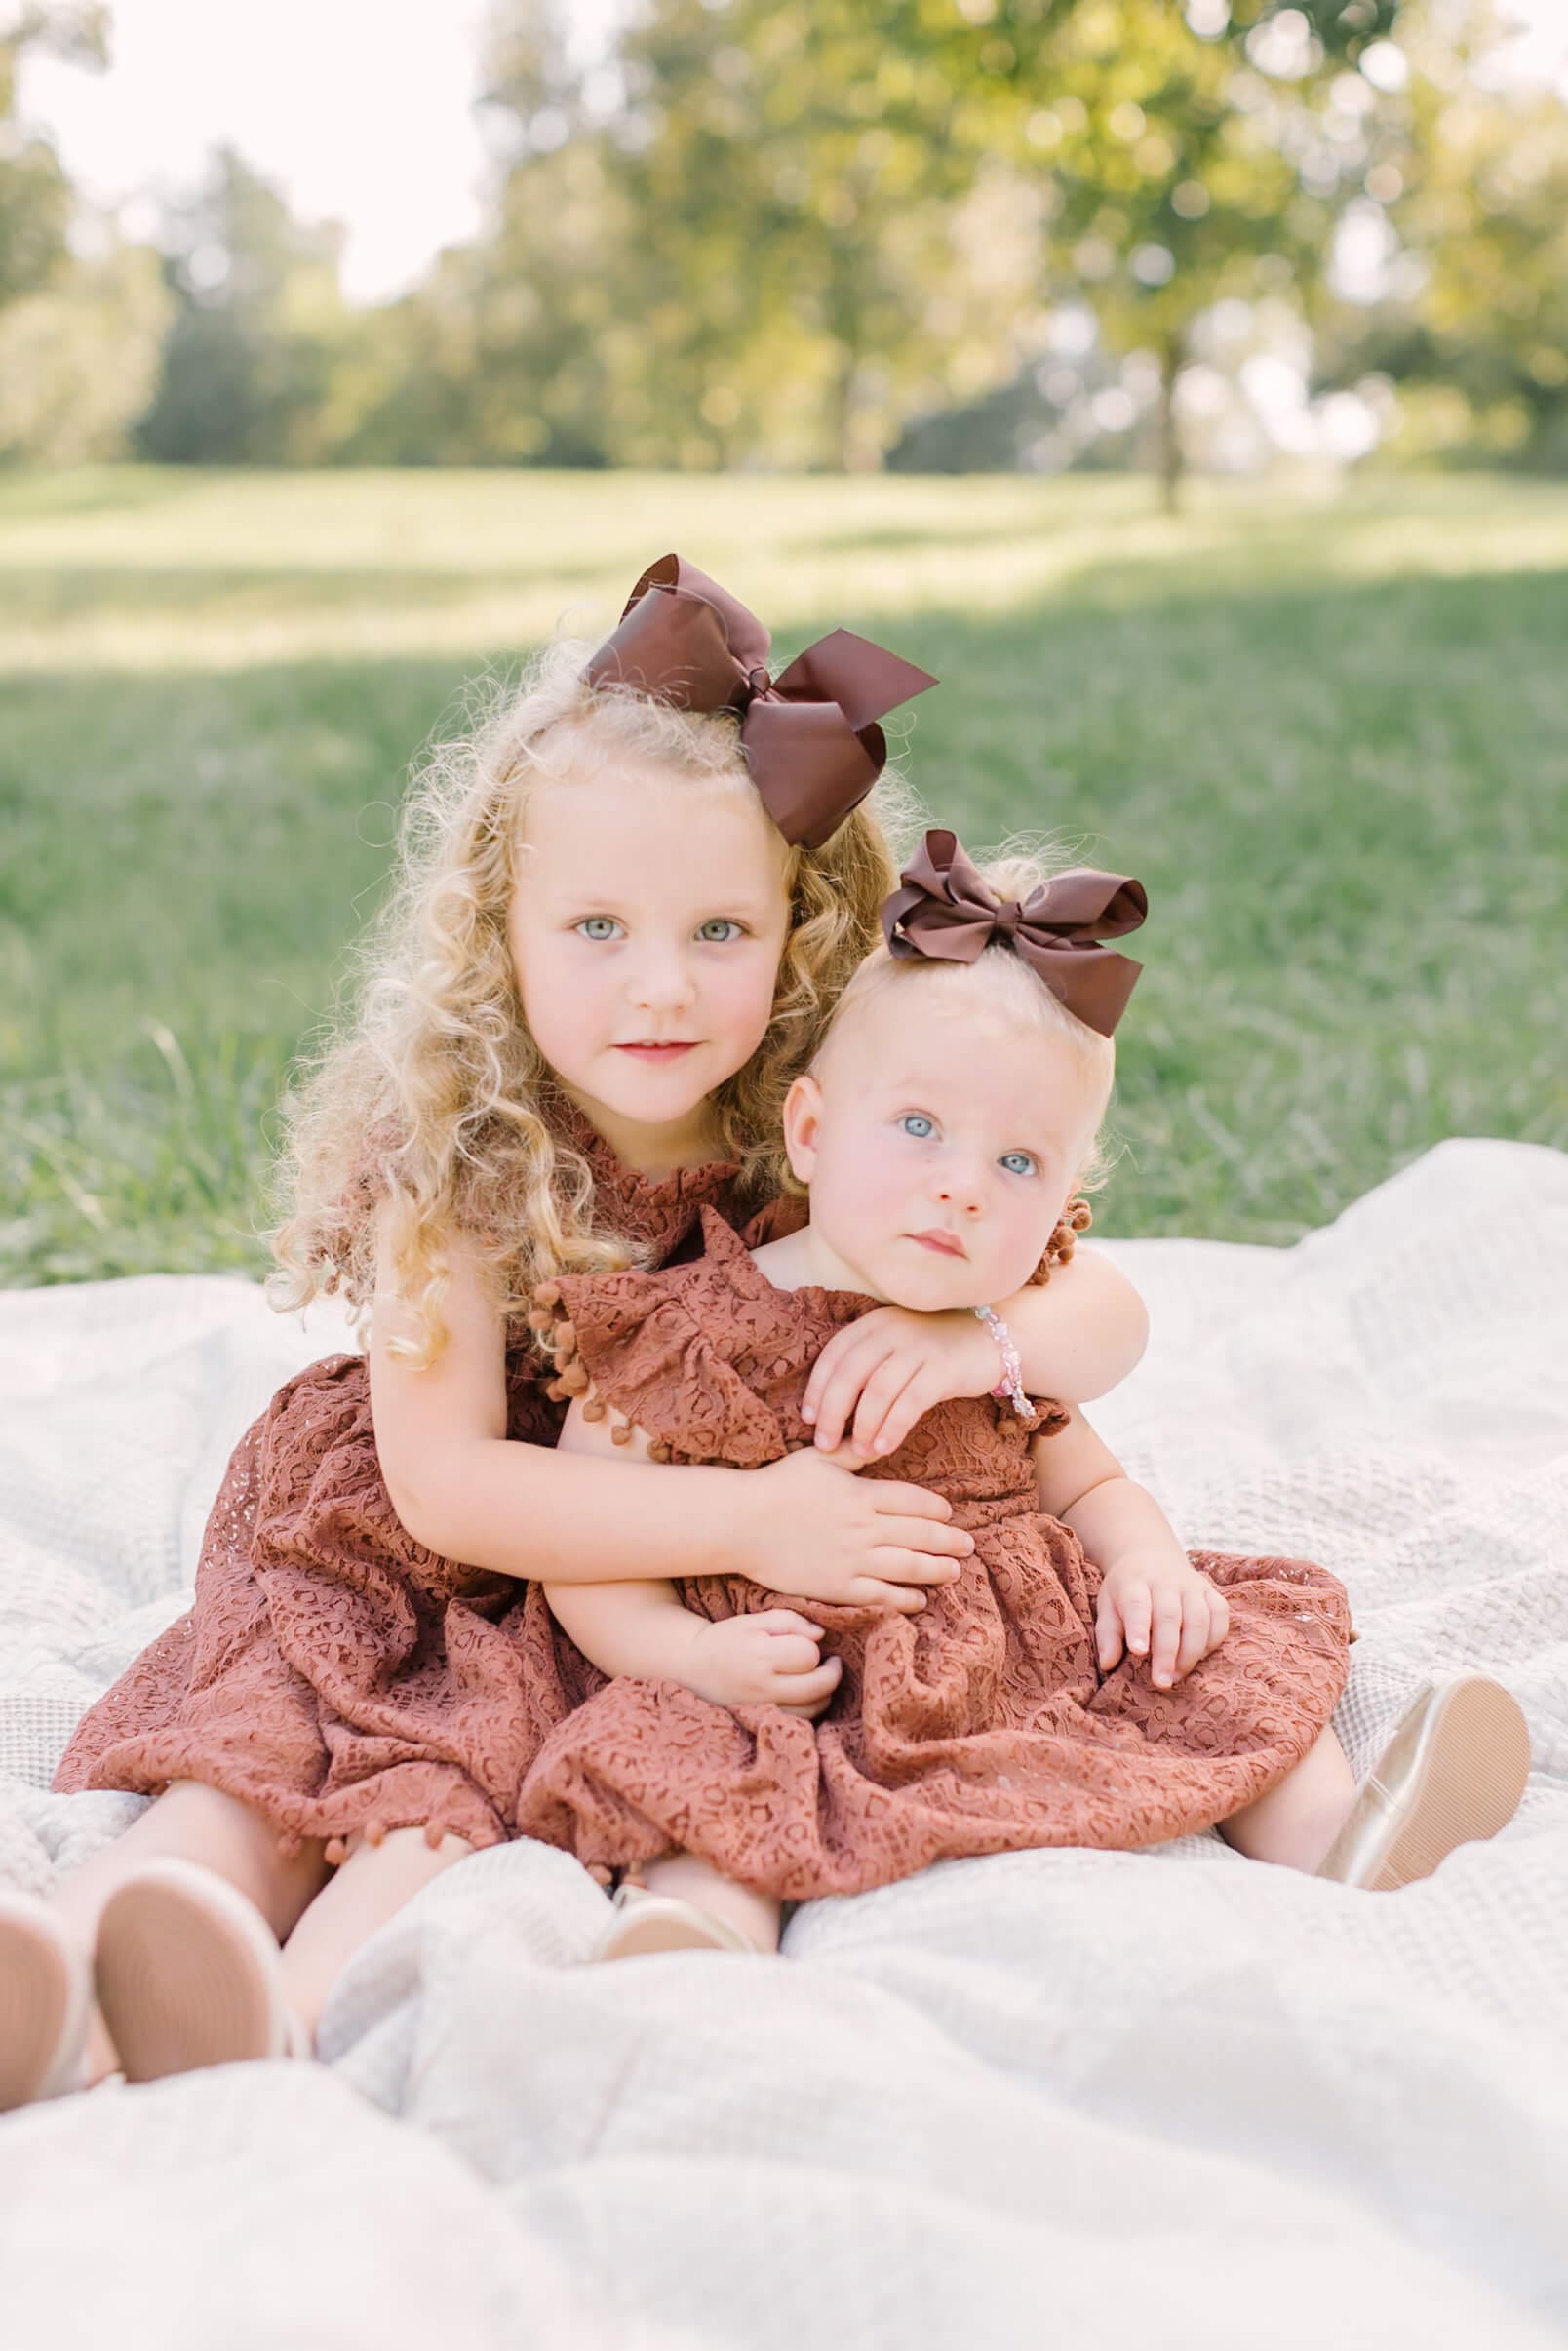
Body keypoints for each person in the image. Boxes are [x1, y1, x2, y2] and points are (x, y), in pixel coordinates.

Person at [0, 564, 1151, 2112]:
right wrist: (756, 1514)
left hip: (622, 1593)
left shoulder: (810, 1112)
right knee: (271, 1755)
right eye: (597, 924)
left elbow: (1101, 1302)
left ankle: (264, 2027)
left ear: (798, 927)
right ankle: (65, 1972)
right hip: (426, 1536)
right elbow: (453, 1493)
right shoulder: (462, 1153)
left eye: (720, 926)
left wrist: (970, 1346)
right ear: (504, 927)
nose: (662, 984)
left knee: (442, 1797)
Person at [518, 830, 1533, 1959]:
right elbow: (587, 1541)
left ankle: (1339, 1836)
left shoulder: (997, 1332)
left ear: (1062, 1198)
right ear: (810, 1132)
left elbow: (1087, 1473)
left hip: (1016, 1643)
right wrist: (685, 1655)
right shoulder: (700, 1326)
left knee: (1211, 1664)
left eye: (1017, 1165)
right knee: (705, 1755)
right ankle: (699, 1924)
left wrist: (1147, 1560)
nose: (960, 1186)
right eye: (918, 1128)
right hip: (789, 1666)